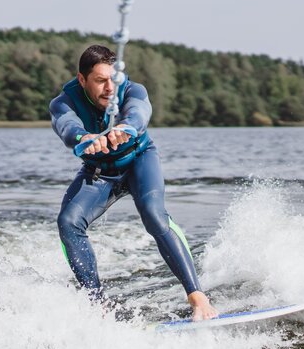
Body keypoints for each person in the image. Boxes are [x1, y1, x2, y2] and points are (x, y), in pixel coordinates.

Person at [50, 45, 218, 320]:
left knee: (153, 214)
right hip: (99, 172)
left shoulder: (133, 90)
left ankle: (197, 297)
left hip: (139, 160)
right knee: (68, 222)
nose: (109, 88)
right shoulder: (63, 102)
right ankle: (97, 306)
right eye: (100, 81)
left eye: (113, 80)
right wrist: (84, 139)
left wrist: (125, 128)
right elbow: (66, 126)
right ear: (82, 80)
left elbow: (139, 113)